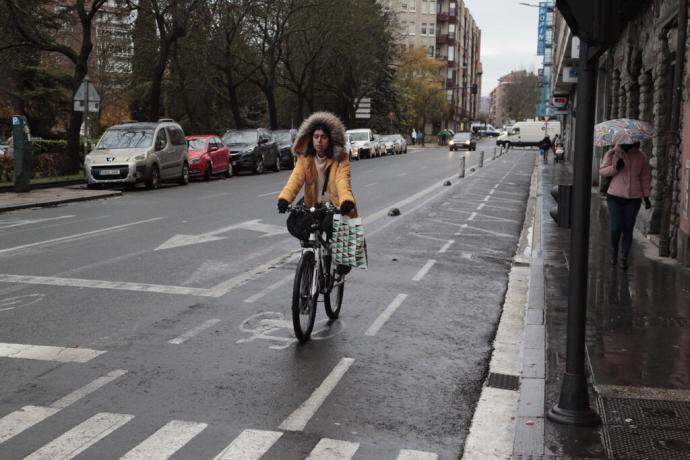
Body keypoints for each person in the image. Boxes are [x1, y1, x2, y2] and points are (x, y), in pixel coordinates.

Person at [277, 111, 357, 274]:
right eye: (316, 136)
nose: (319, 141)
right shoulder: (305, 158)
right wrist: (285, 198)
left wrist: (346, 201)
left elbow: (342, 182)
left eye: (323, 137)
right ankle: (309, 260)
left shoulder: (341, 158)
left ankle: (338, 255)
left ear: (331, 139)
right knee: (296, 222)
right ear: (310, 138)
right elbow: (296, 179)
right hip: (312, 204)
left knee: (331, 224)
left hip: (334, 204)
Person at [599, 142, 651, 269]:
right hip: (614, 197)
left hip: (634, 198)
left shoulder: (641, 156)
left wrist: (646, 196)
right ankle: (614, 250)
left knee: (628, 228)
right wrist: (615, 168)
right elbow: (602, 171)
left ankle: (624, 257)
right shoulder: (612, 153)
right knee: (615, 228)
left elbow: (645, 177)